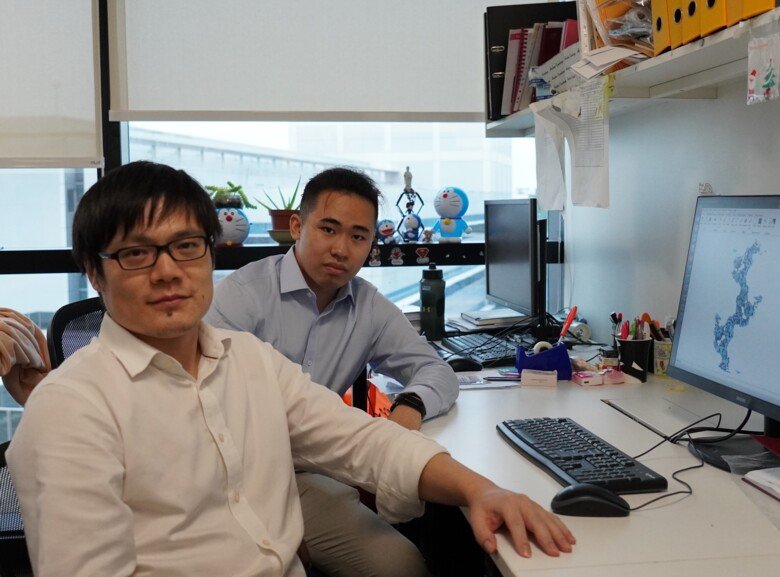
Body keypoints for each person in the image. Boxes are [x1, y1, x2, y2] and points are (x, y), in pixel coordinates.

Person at [7, 161, 574, 577]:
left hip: (302, 482)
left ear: (207, 253)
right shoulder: (70, 409)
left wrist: (481, 490)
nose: (167, 272)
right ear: (94, 272)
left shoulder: (248, 360)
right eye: (136, 253)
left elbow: (361, 440)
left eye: (186, 247)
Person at [204, 167, 459, 575]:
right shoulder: (243, 296)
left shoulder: (368, 306)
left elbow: (436, 370)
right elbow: (204, 410)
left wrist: (409, 406)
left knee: (402, 565)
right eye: (328, 229)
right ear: (297, 226)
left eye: (358, 236)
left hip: (306, 479)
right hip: (229, 479)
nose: (342, 248)